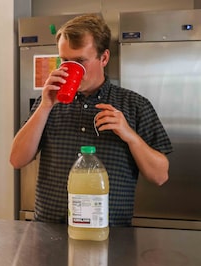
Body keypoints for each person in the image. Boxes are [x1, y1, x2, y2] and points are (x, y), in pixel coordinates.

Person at [10, 14, 173, 227]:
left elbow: (160, 176)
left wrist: (130, 136)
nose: (70, 68)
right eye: (65, 61)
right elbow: (17, 160)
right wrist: (45, 106)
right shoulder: (49, 104)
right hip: (50, 231)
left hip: (111, 233)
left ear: (104, 58)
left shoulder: (135, 105)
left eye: (79, 61)